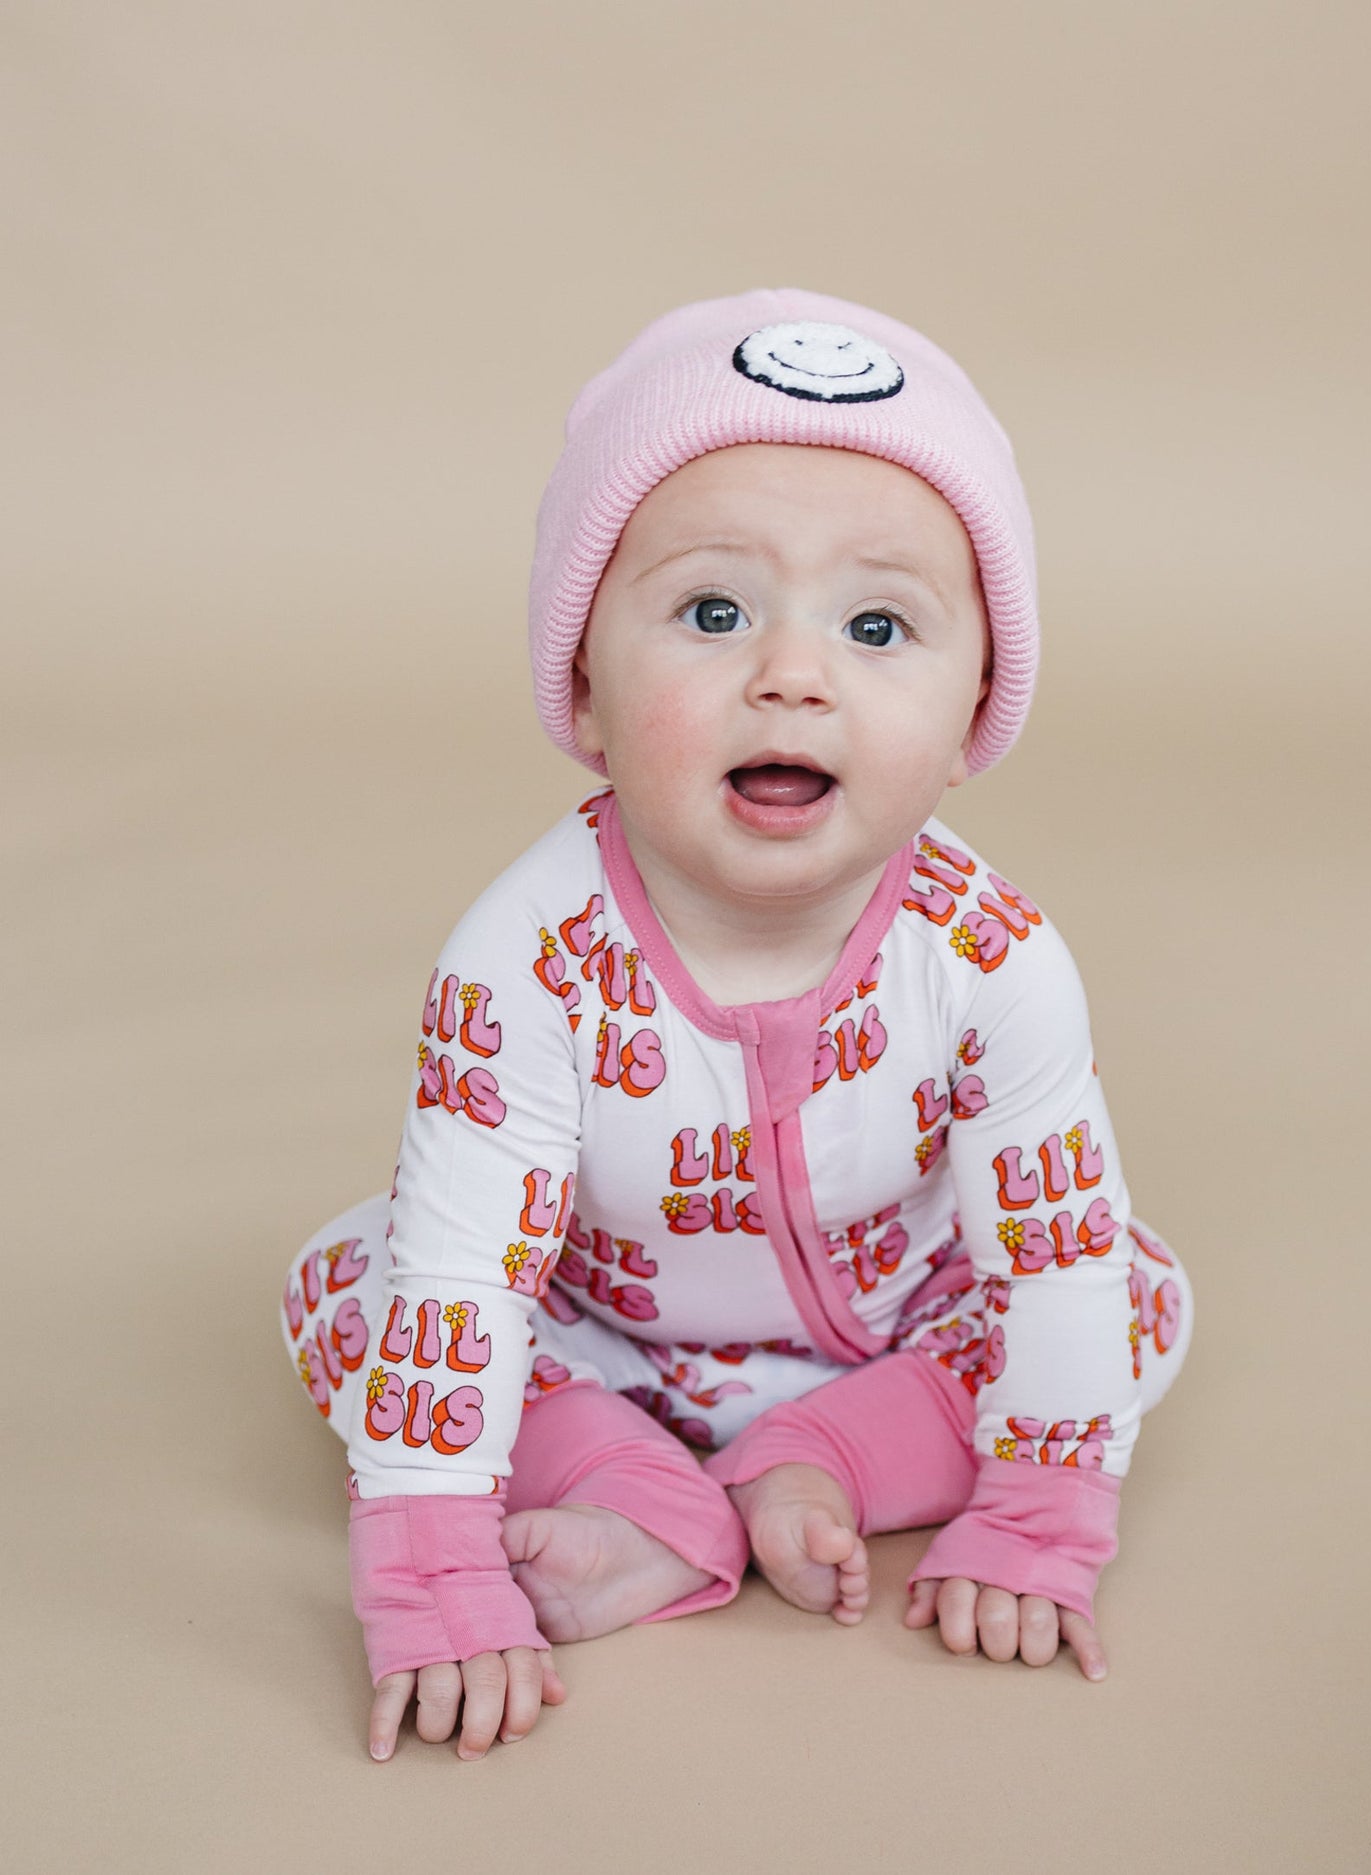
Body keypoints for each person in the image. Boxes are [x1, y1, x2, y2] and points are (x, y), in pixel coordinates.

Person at [279, 288, 1193, 1762]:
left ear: (975, 713)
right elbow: (464, 1276)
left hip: (909, 1333)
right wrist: (435, 1576)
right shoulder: (524, 959)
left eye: (878, 626)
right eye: (713, 613)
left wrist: (1040, 1519)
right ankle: (644, 1495)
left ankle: (819, 1461)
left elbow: (1051, 1250)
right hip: (600, 1340)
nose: (792, 675)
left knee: (1124, 1287)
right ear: (584, 685)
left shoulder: (993, 956)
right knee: (362, 1284)